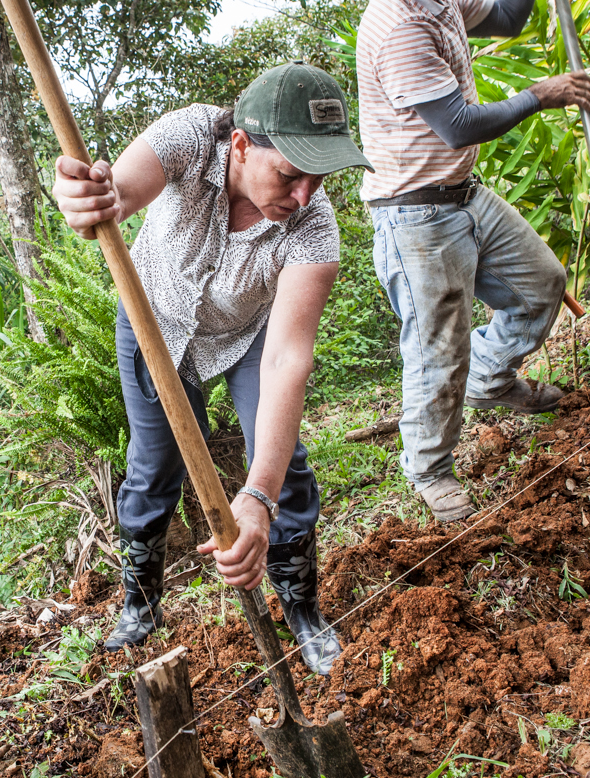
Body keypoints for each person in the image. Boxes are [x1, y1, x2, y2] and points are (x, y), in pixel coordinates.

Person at [52, 62, 371, 675]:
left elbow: (286, 358)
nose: (305, 194)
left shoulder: (313, 227)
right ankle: (140, 603)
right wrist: (90, 199)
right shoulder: (191, 138)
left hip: (250, 336)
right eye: (291, 173)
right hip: (155, 323)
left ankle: (301, 606)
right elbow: (120, 192)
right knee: (153, 469)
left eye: (319, 178)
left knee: (286, 471)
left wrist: (255, 497)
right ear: (243, 146)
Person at [355, 0, 590, 523]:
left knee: (542, 282)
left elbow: (511, 17)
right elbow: (458, 123)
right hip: (415, 212)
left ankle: (491, 381)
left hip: (464, 193)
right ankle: (430, 469)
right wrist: (538, 96)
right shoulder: (397, 23)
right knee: (438, 346)